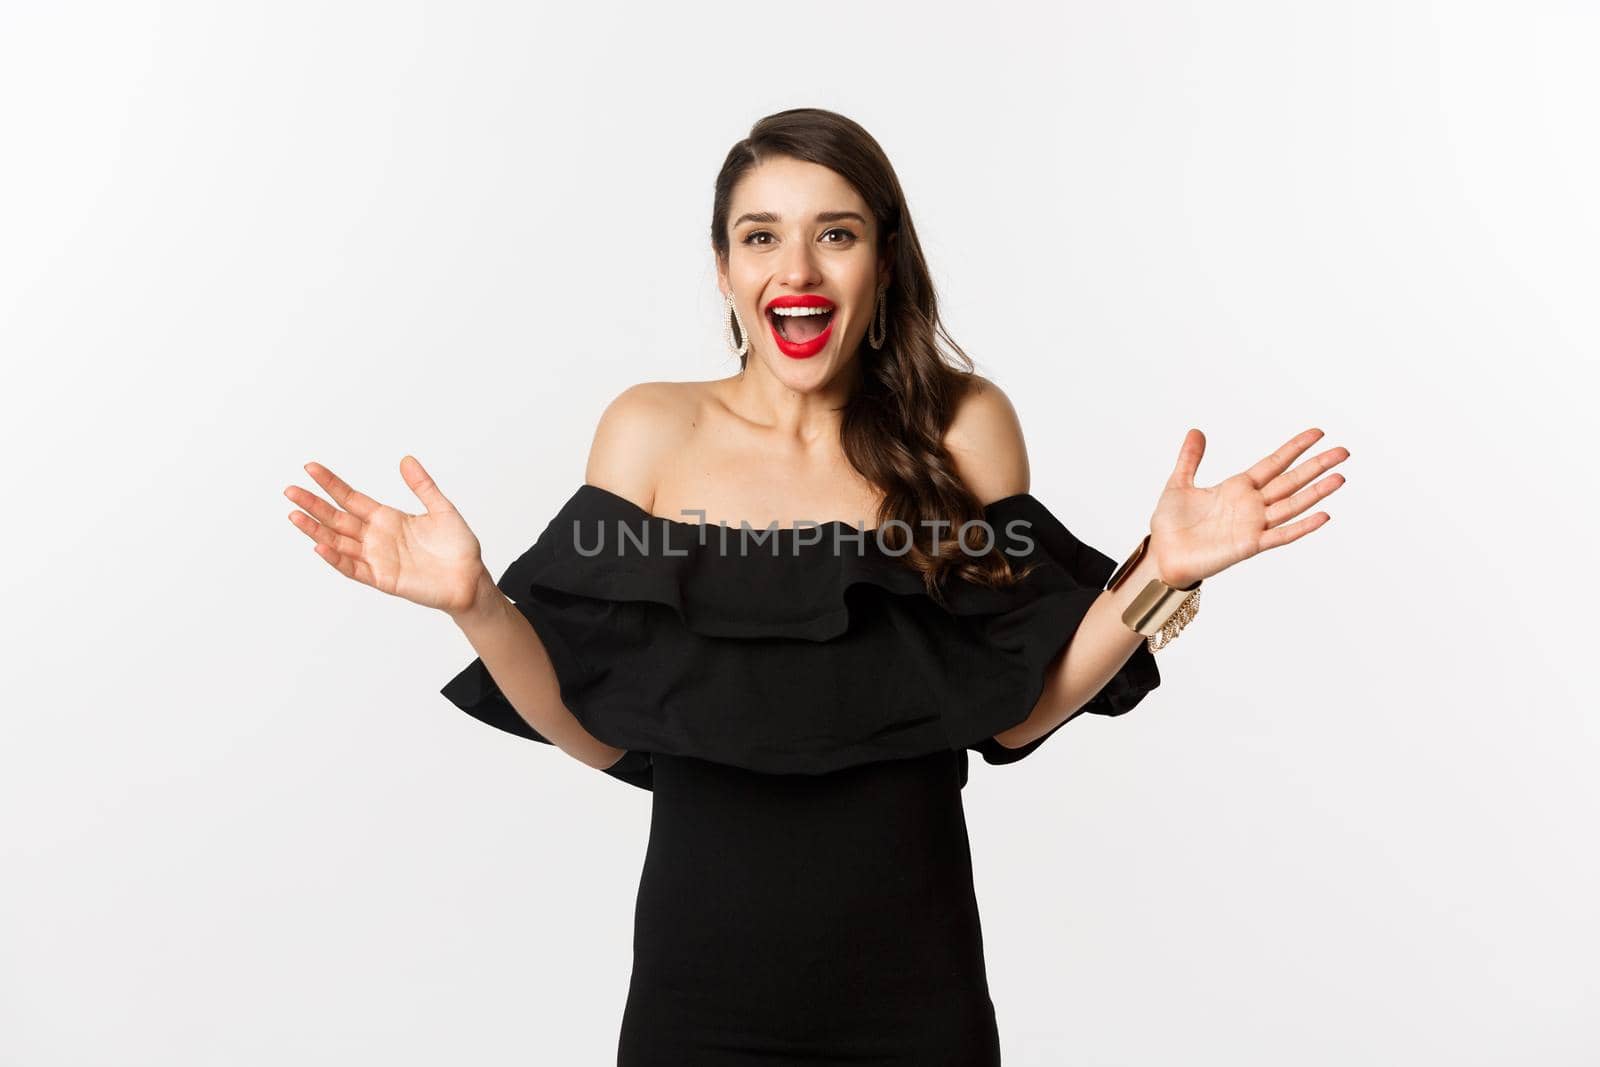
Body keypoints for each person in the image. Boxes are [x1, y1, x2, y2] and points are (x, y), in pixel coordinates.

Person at [283, 107, 1348, 1065]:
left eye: (835, 232)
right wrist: (476, 601)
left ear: (883, 261)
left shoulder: (963, 429)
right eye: (761, 236)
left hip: (915, 997)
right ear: (722, 269)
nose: (796, 265)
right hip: (696, 998)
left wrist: (1157, 574)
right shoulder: (651, 429)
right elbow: (601, 730)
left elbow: (1014, 710)